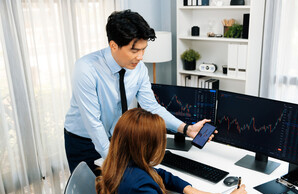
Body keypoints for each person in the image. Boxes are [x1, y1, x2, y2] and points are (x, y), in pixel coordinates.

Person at [64, 9, 211, 174]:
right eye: (134, 51)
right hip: (83, 141)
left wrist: (186, 129)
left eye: (143, 49)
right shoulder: (86, 69)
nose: (141, 57)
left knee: (120, 193)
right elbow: (93, 122)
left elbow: (152, 107)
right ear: (113, 45)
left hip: (116, 136)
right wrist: (117, 163)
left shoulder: (139, 68)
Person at [95, 108, 247, 194]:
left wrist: (191, 190)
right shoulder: (137, 187)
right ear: (147, 147)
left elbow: (159, 174)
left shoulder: (121, 165)